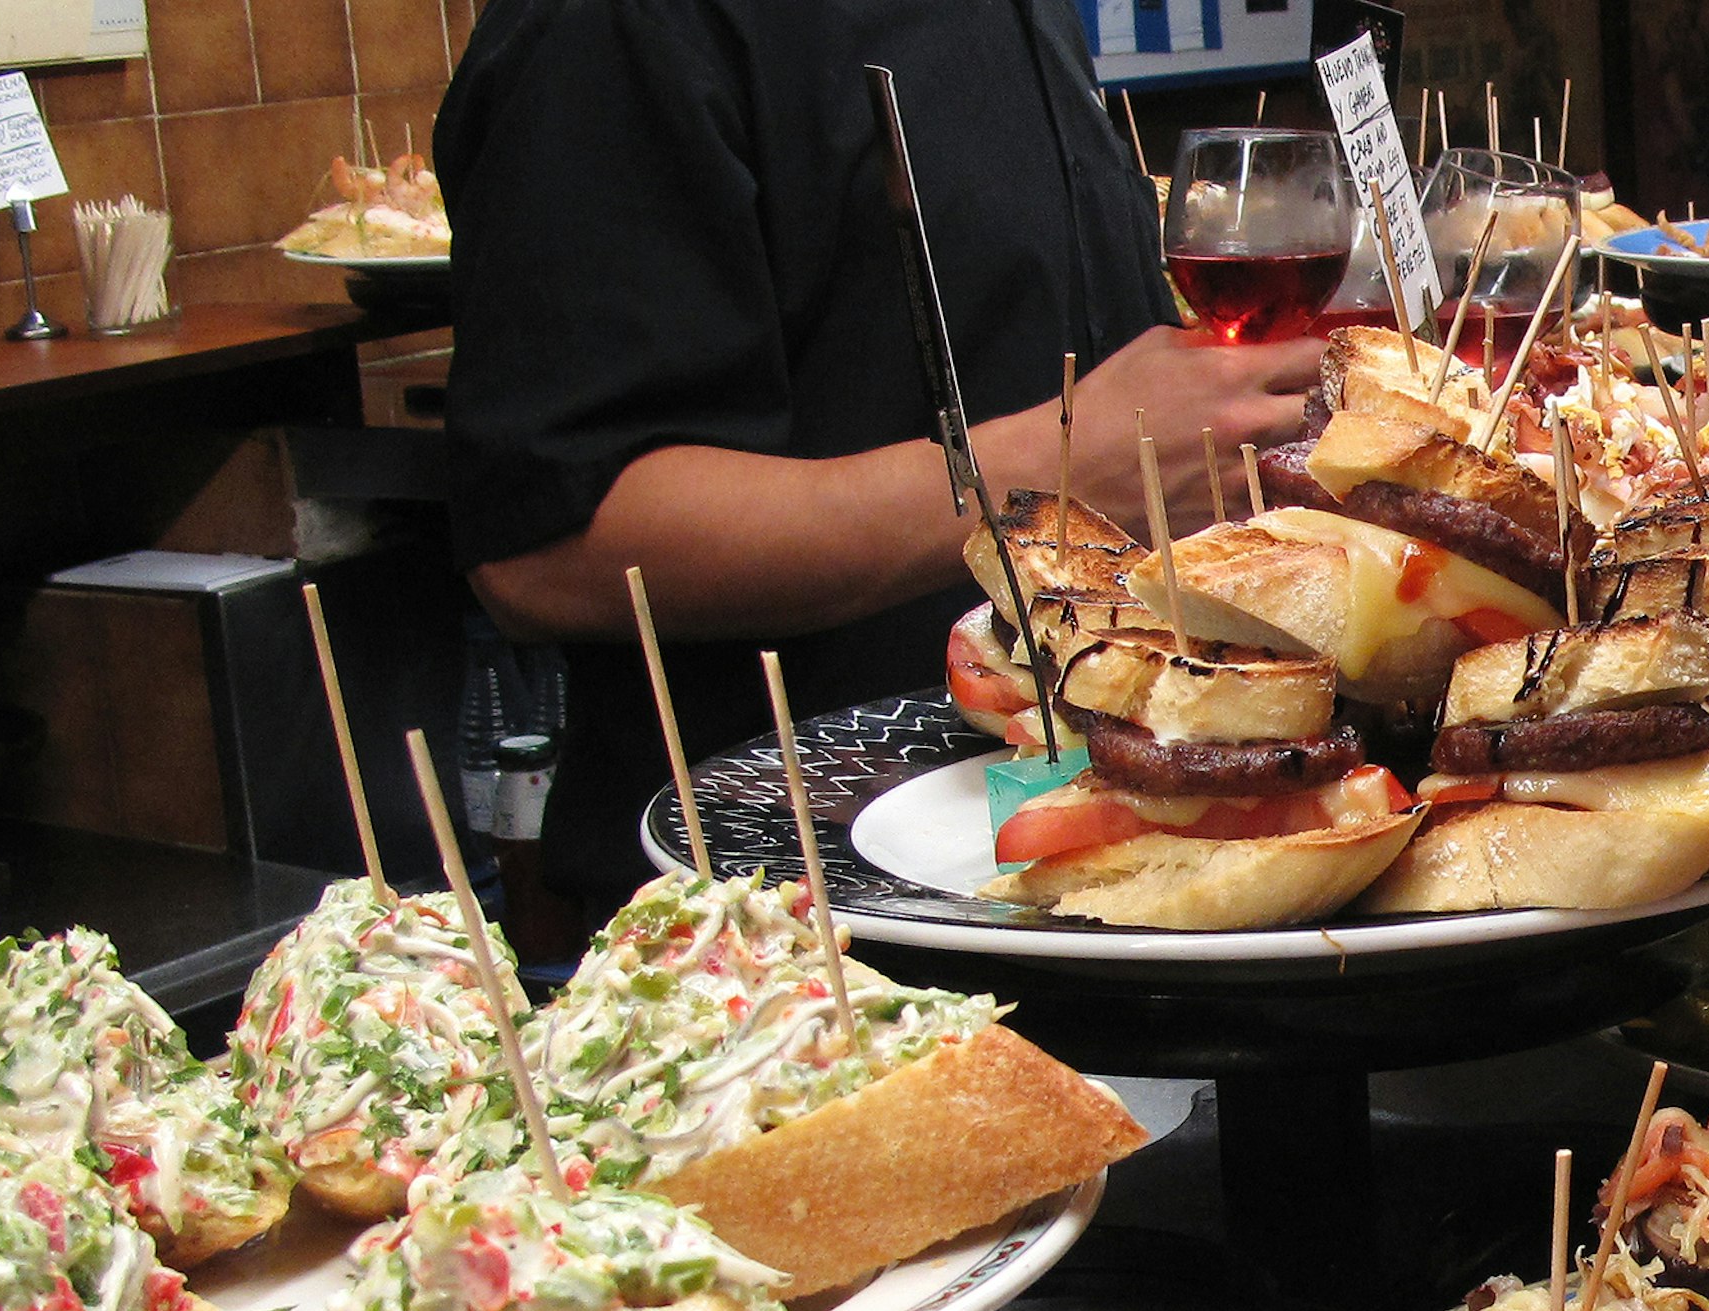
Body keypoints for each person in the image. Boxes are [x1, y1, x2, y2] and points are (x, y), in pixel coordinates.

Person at [437, 0, 1325, 915]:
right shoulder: (609, 29)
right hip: (782, 939)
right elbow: (548, 549)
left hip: (1095, 884)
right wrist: (1042, 474)